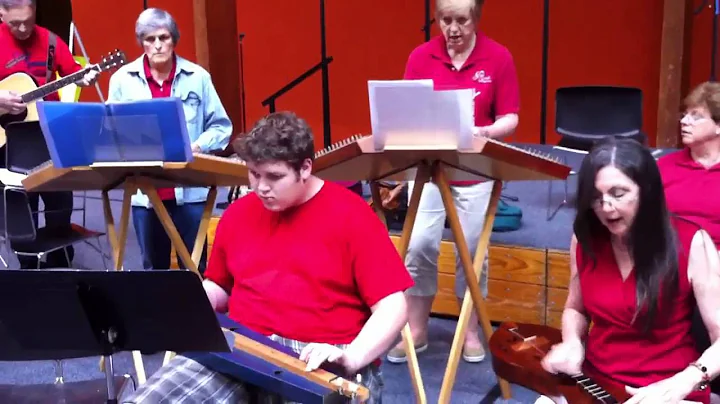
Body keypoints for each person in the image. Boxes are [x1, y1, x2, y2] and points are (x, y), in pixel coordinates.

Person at [121, 111, 413, 403]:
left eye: (274, 176)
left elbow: (393, 307)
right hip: (244, 346)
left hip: (321, 352)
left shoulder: (352, 215)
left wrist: (351, 356)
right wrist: (183, 305)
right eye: (253, 173)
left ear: (305, 168)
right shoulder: (238, 214)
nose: (260, 186)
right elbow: (220, 288)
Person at [385, 0, 520, 364]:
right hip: (427, 167)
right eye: (445, 20)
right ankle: (417, 329)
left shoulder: (499, 57)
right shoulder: (420, 57)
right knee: (418, 246)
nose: (453, 28)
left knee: (473, 250)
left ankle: (470, 330)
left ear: (476, 18)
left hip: (476, 170)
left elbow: (511, 117)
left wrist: (486, 131)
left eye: (461, 19)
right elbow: (408, 110)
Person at [538, 138, 720, 404]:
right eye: (596, 197)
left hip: (670, 387)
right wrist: (573, 342)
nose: (607, 208)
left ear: (646, 191)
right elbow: (575, 308)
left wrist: (686, 380)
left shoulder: (693, 243)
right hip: (597, 381)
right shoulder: (586, 238)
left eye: (618, 194)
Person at [107, 8, 232, 273]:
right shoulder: (121, 81)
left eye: (163, 37)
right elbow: (112, 131)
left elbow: (222, 127)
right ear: (141, 42)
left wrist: (197, 145)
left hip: (190, 190)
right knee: (154, 268)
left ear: (174, 39)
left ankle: (196, 314)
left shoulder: (198, 77)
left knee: (195, 266)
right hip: (144, 192)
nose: (157, 45)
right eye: (149, 39)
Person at [0, 0, 98, 268]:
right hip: (10, 140)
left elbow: (74, 73)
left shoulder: (51, 41)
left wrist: (85, 76)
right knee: (21, 205)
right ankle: (28, 265)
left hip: (50, 134)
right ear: (1, 14)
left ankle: (60, 262)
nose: (22, 29)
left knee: (60, 199)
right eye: (14, 23)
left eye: (28, 22)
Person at [658, 81, 720, 249]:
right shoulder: (664, 166)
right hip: (671, 259)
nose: (685, 121)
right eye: (685, 115)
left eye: (696, 116)